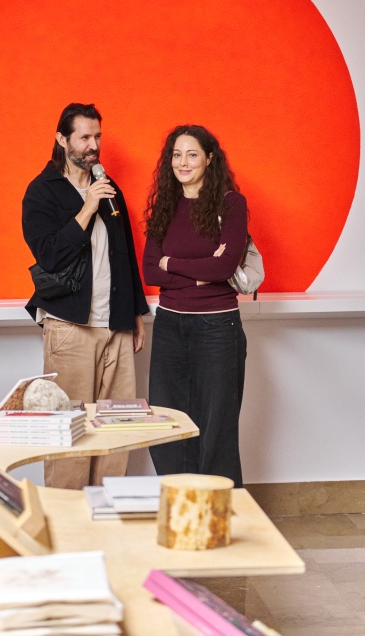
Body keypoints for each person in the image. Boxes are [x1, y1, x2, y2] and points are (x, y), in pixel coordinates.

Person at [23, 102, 149, 489]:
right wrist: (87, 206)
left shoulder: (111, 190)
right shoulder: (42, 192)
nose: (94, 145)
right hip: (70, 327)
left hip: (116, 327)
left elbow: (126, 254)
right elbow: (49, 254)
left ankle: (106, 521)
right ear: (62, 139)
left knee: (115, 433)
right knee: (68, 432)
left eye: (97, 136)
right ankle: (65, 527)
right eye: (85, 137)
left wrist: (136, 315)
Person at [143, 124, 248, 486]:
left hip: (217, 329)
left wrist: (172, 263)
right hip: (171, 326)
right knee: (169, 423)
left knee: (216, 428)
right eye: (176, 154)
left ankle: (219, 515)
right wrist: (195, 270)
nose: (182, 162)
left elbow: (224, 266)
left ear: (209, 159)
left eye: (191, 154)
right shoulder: (165, 206)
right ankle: (179, 507)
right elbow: (149, 270)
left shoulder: (231, 204)